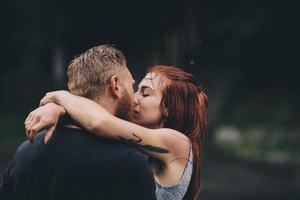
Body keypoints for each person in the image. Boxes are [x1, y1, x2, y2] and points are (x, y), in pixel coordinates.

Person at [25, 64, 208, 200]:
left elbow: (98, 121)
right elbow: (93, 116)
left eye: (145, 94)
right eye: (137, 90)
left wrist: (60, 96)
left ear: (170, 107)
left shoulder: (177, 143)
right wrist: (58, 110)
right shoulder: (141, 138)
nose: (134, 99)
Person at [0, 45, 157, 200]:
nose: (134, 97)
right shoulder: (128, 162)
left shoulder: (25, 151)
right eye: (131, 86)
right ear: (115, 85)